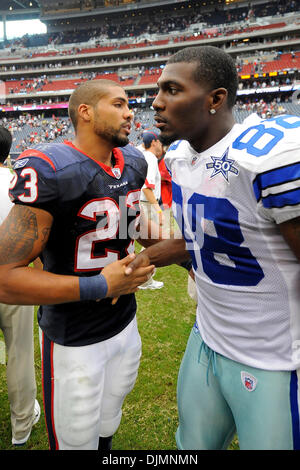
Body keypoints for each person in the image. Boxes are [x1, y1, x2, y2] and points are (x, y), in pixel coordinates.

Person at [127, 45, 300, 450]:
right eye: (158, 89)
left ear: (215, 99)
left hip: (272, 357)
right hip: (207, 335)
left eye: (172, 89)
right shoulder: (181, 157)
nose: (155, 101)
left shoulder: (268, 155)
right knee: (192, 445)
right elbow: (216, 233)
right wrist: (156, 254)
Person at [0, 79, 155, 451]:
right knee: (75, 438)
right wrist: (99, 286)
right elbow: (4, 278)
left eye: (129, 104)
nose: (130, 112)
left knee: (108, 420)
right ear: (85, 112)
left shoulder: (133, 161)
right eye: (118, 104)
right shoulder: (52, 169)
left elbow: (141, 224)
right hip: (74, 336)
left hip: (124, 323)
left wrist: (173, 251)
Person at [0, 126, 41, 446]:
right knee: (20, 352)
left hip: (12, 275)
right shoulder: (19, 183)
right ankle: (22, 425)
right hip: (14, 277)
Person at [138, 129, 164, 290]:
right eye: (160, 142)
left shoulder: (142, 154)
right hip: (147, 203)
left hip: (142, 202)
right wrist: (159, 211)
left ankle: (143, 277)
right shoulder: (150, 158)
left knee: (146, 243)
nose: (161, 145)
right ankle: (144, 279)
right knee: (151, 244)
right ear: (154, 142)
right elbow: (148, 188)